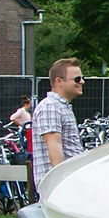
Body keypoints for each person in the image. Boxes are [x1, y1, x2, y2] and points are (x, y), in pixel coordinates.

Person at [31, 58, 85, 191]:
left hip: (69, 183)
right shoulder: (51, 106)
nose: (82, 82)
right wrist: (60, 185)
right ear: (59, 81)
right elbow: (54, 146)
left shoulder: (61, 107)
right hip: (59, 187)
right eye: (77, 79)